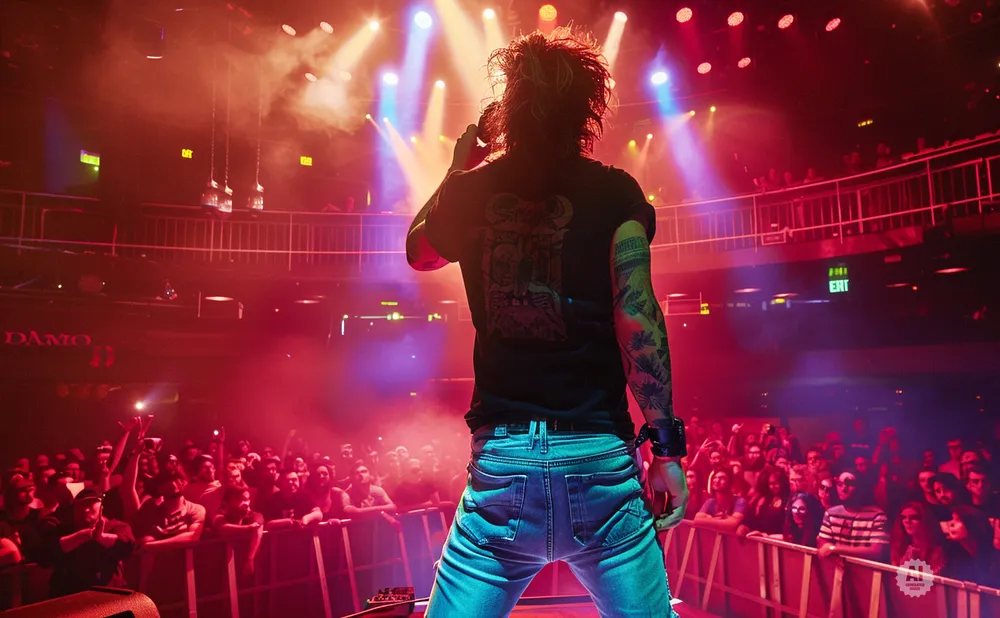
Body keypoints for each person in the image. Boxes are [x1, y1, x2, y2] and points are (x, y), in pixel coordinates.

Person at [406, 27, 687, 617]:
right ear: (588, 108)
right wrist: (665, 449)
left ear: (509, 105)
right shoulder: (615, 193)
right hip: (599, 460)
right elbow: (637, 313)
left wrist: (459, 168)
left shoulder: (471, 190)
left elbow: (419, 251)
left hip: (502, 468)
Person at [44, 489, 134, 597]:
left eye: (90, 505)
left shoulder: (116, 526)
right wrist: (85, 535)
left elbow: (126, 545)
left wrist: (101, 537)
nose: (86, 510)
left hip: (108, 594)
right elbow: (49, 553)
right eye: (80, 506)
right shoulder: (63, 529)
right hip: (69, 595)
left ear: (101, 508)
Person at [817, 471, 889, 560]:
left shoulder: (877, 516)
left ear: (860, 487)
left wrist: (835, 549)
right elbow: (823, 543)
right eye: (840, 484)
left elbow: (876, 551)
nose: (843, 489)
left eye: (849, 484)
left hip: (864, 572)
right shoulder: (831, 513)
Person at [132, 469, 206, 548]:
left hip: (184, 557)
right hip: (154, 559)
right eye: (167, 480)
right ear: (159, 488)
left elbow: (192, 537)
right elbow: (139, 539)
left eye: (176, 479)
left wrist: (152, 545)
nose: (173, 484)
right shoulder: (149, 508)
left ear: (184, 483)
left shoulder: (196, 509)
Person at [890, 502, 946, 574]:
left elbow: (931, 579)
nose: (907, 521)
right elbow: (895, 573)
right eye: (903, 517)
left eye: (913, 517)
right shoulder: (898, 545)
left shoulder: (936, 550)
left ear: (924, 520)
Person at [695, 469, 746, 533]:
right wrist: (725, 520)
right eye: (715, 477)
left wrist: (709, 519)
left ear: (730, 482)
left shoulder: (740, 502)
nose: (717, 480)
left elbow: (732, 524)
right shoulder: (710, 502)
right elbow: (697, 520)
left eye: (722, 478)